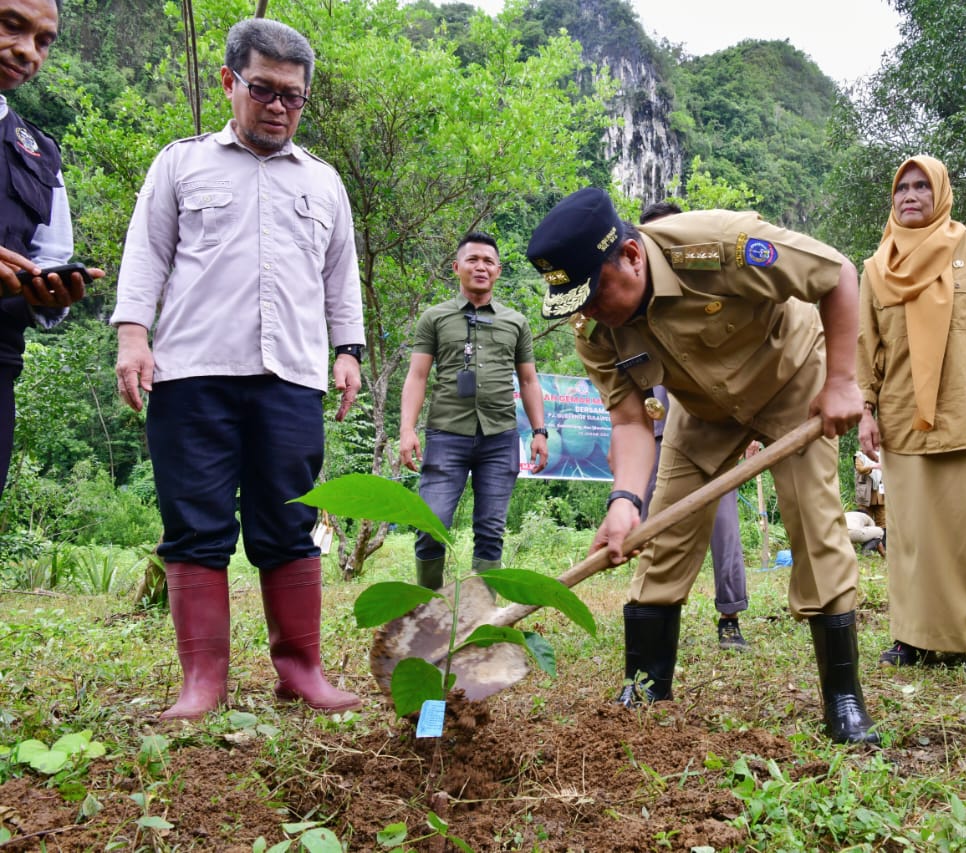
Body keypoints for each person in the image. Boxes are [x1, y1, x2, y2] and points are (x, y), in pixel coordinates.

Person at [526, 187, 879, 745]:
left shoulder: (721, 246)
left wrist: (840, 381)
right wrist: (624, 504)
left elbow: (836, 274)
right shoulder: (595, 330)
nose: (590, 312)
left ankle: (843, 698)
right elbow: (629, 423)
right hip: (703, 408)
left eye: (596, 294)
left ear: (633, 257)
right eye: (578, 303)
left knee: (816, 525)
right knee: (663, 532)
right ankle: (645, 687)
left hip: (792, 382)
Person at [112, 18, 365, 719]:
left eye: (294, 96)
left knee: (290, 522)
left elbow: (341, 276)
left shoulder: (323, 182)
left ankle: (301, 668)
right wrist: (133, 336)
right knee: (194, 524)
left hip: (291, 377)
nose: (280, 106)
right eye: (264, 90)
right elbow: (145, 254)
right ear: (230, 83)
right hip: (191, 372)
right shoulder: (181, 164)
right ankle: (203, 682)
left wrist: (348, 351)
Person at [858, 155, 966, 677]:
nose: (910, 196)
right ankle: (912, 637)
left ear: (941, 193)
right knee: (908, 535)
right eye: (901, 189)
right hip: (901, 415)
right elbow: (868, 346)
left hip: (965, 408)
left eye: (921, 187)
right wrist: (866, 409)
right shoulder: (874, 267)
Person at [398, 231, 549, 589]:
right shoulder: (435, 318)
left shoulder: (516, 322)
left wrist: (539, 432)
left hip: (500, 438)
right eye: (473, 260)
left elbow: (528, 381)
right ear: (457, 267)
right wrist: (407, 430)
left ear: (498, 270)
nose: (481, 267)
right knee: (431, 525)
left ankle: (480, 617)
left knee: (491, 531)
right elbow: (417, 376)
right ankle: (429, 609)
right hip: (446, 435)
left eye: (488, 262)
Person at [0, 0, 102, 496]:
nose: (27, 52)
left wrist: (49, 294)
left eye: (43, 41)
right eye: (10, 25)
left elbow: (50, 255)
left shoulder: (37, 151)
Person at [640, 384, 752, 650]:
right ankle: (652, 616)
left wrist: (750, 433)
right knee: (651, 528)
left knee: (724, 527)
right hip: (658, 431)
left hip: (714, 431)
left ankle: (730, 617)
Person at [854, 449, 886, 529]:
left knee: (882, 521)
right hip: (865, 494)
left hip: (880, 494)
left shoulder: (882, 454)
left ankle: (882, 540)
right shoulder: (859, 455)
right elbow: (860, 469)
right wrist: (873, 466)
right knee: (865, 520)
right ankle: (869, 541)